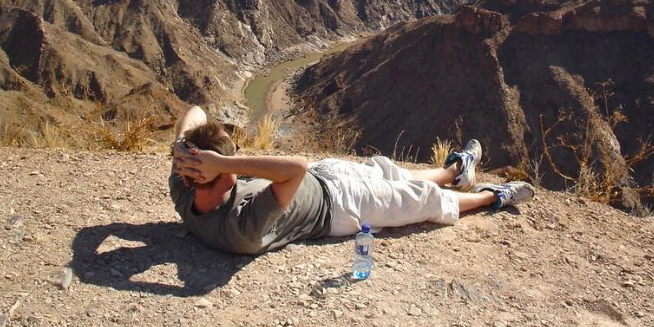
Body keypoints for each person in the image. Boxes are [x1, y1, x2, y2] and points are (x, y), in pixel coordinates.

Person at [170, 105, 535, 255]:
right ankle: (492, 196)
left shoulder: (186, 189)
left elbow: (195, 110)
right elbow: (295, 168)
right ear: (222, 172)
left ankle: (454, 172)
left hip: (323, 176)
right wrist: (223, 161)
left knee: (388, 172)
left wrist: (182, 146)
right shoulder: (239, 228)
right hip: (342, 207)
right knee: (423, 201)